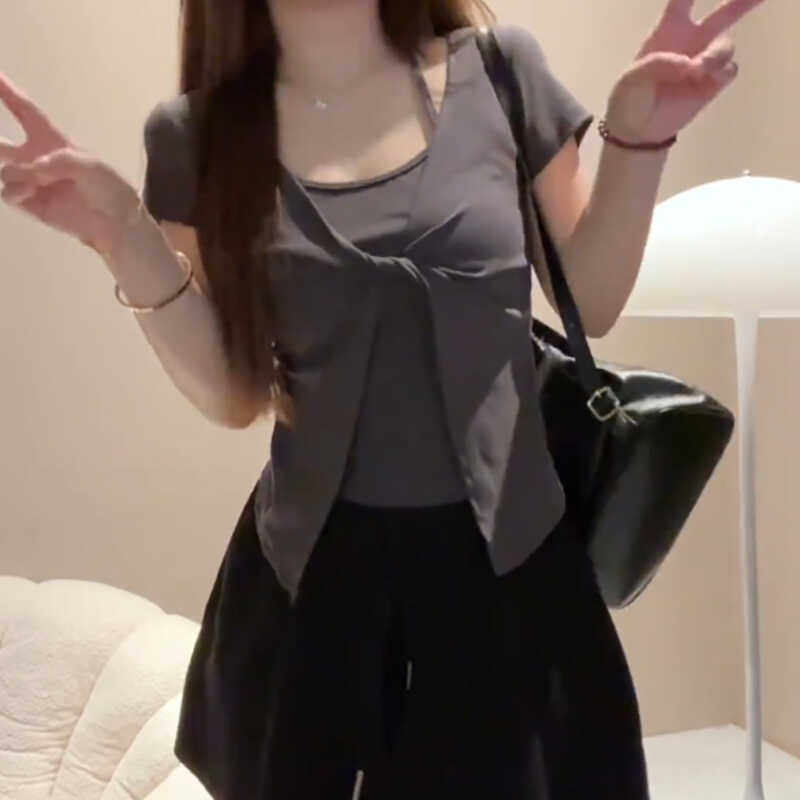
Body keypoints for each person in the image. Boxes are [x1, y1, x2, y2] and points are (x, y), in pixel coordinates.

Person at [1, 0, 683, 797]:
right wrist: (120, 233)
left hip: (517, 582)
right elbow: (232, 392)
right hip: (315, 603)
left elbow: (591, 301)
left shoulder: (502, 74)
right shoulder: (197, 135)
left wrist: (639, 140)